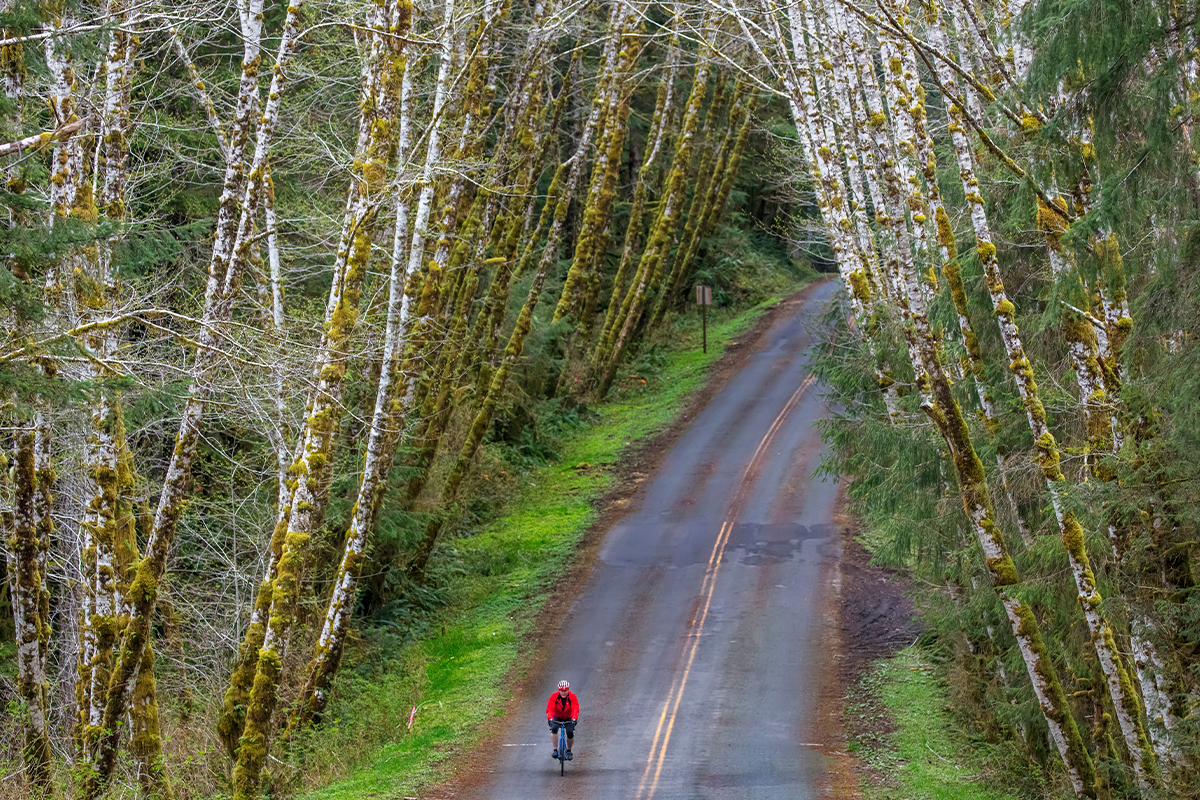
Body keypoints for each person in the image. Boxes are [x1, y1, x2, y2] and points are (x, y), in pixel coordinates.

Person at [546, 679, 579, 760]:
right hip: (557, 716)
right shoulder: (554, 696)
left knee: (570, 733)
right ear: (559, 690)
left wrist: (574, 718)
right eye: (561, 691)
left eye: (565, 690)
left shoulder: (572, 696)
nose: (563, 692)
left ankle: (569, 750)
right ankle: (555, 750)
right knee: (554, 729)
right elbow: (550, 708)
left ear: (568, 690)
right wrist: (550, 718)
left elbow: (575, 708)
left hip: (568, 717)